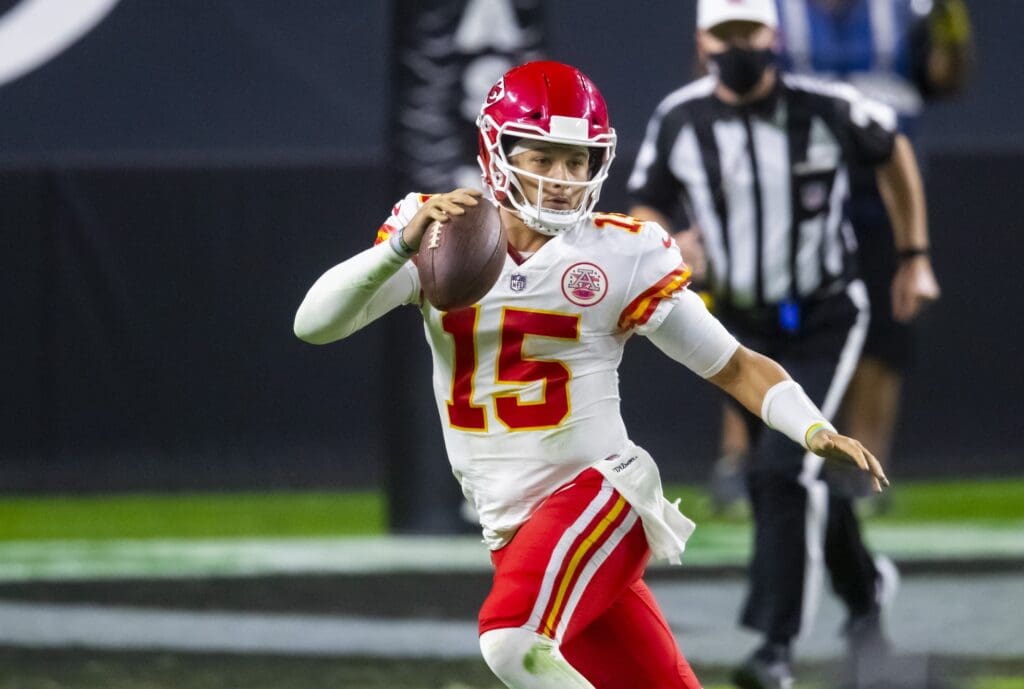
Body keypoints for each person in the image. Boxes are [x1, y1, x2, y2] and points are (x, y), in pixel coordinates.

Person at [295, 60, 887, 689]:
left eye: (577, 161)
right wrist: (400, 247)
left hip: (603, 494)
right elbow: (315, 324)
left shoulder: (621, 253)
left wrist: (813, 429)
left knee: (513, 642)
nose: (560, 179)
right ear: (496, 151)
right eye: (543, 157)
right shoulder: (440, 233)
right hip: (514, 521)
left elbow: (733, 364)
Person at [626, 1, 938, 687]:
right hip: (738, 325)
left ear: (775, 35)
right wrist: (668, 239)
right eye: (725, 33)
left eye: (750, 32)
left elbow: (894, 152)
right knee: (795, 473)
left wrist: (913, 253)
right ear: (704, 39)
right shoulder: (681, 116)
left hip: (825, 313)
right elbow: (646, 198)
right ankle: (866, 595)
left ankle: (774, 648)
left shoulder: (829, 106)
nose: (739, 46)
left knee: (781, 468)